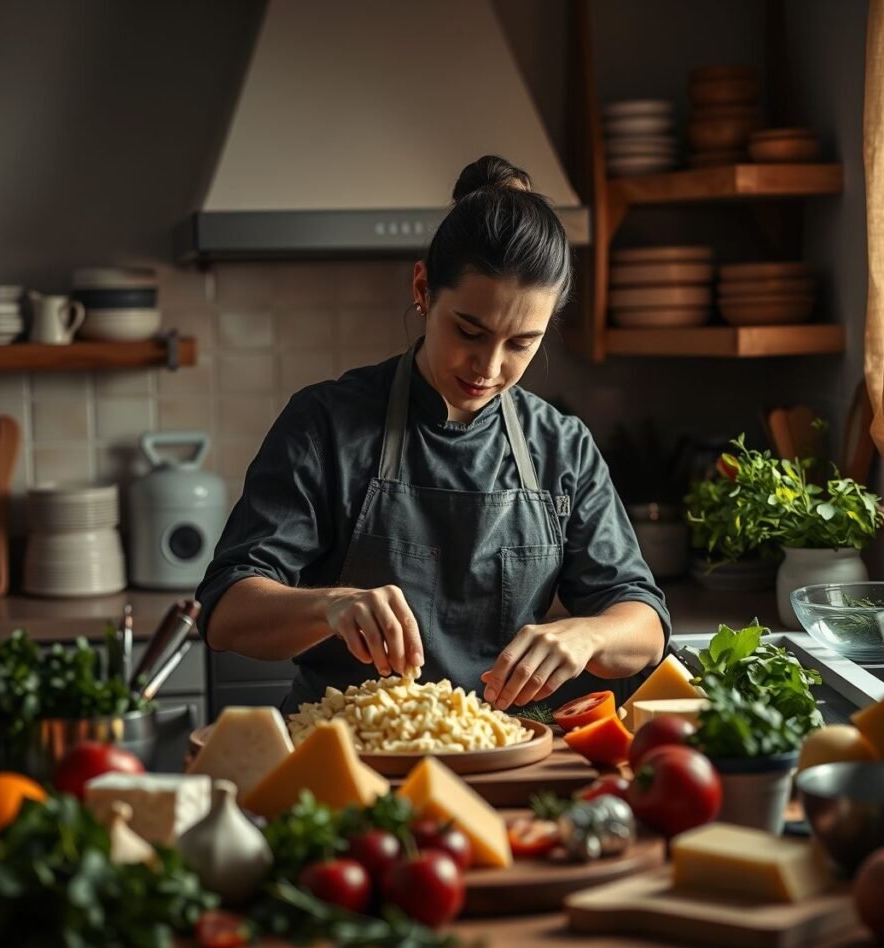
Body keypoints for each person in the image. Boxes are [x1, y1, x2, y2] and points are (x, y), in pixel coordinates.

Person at [197, 154, 670, 715]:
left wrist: (588, 635)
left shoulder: (560, 445)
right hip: (345, 751)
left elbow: (644, 624)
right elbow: (226, 613)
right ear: (423, 289)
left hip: (500, 749)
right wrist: (329, 606)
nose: (489, 367)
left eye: (522, 343)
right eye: (470, 331)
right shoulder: (325, 423)